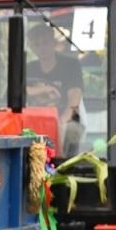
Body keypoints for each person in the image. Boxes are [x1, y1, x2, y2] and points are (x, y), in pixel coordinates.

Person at [26, 21, 85, 154]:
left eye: (45, 42)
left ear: (53, 43)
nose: (41, 47)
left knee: (71, 130)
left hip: (64, 115)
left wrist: (63, 119)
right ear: (31, 47)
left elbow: (75, 95)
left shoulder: (70, 65)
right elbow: (19, 91)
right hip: (34, 117)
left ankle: (66, 167)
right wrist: (45, 89)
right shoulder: (29, 68)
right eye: (37, 44)